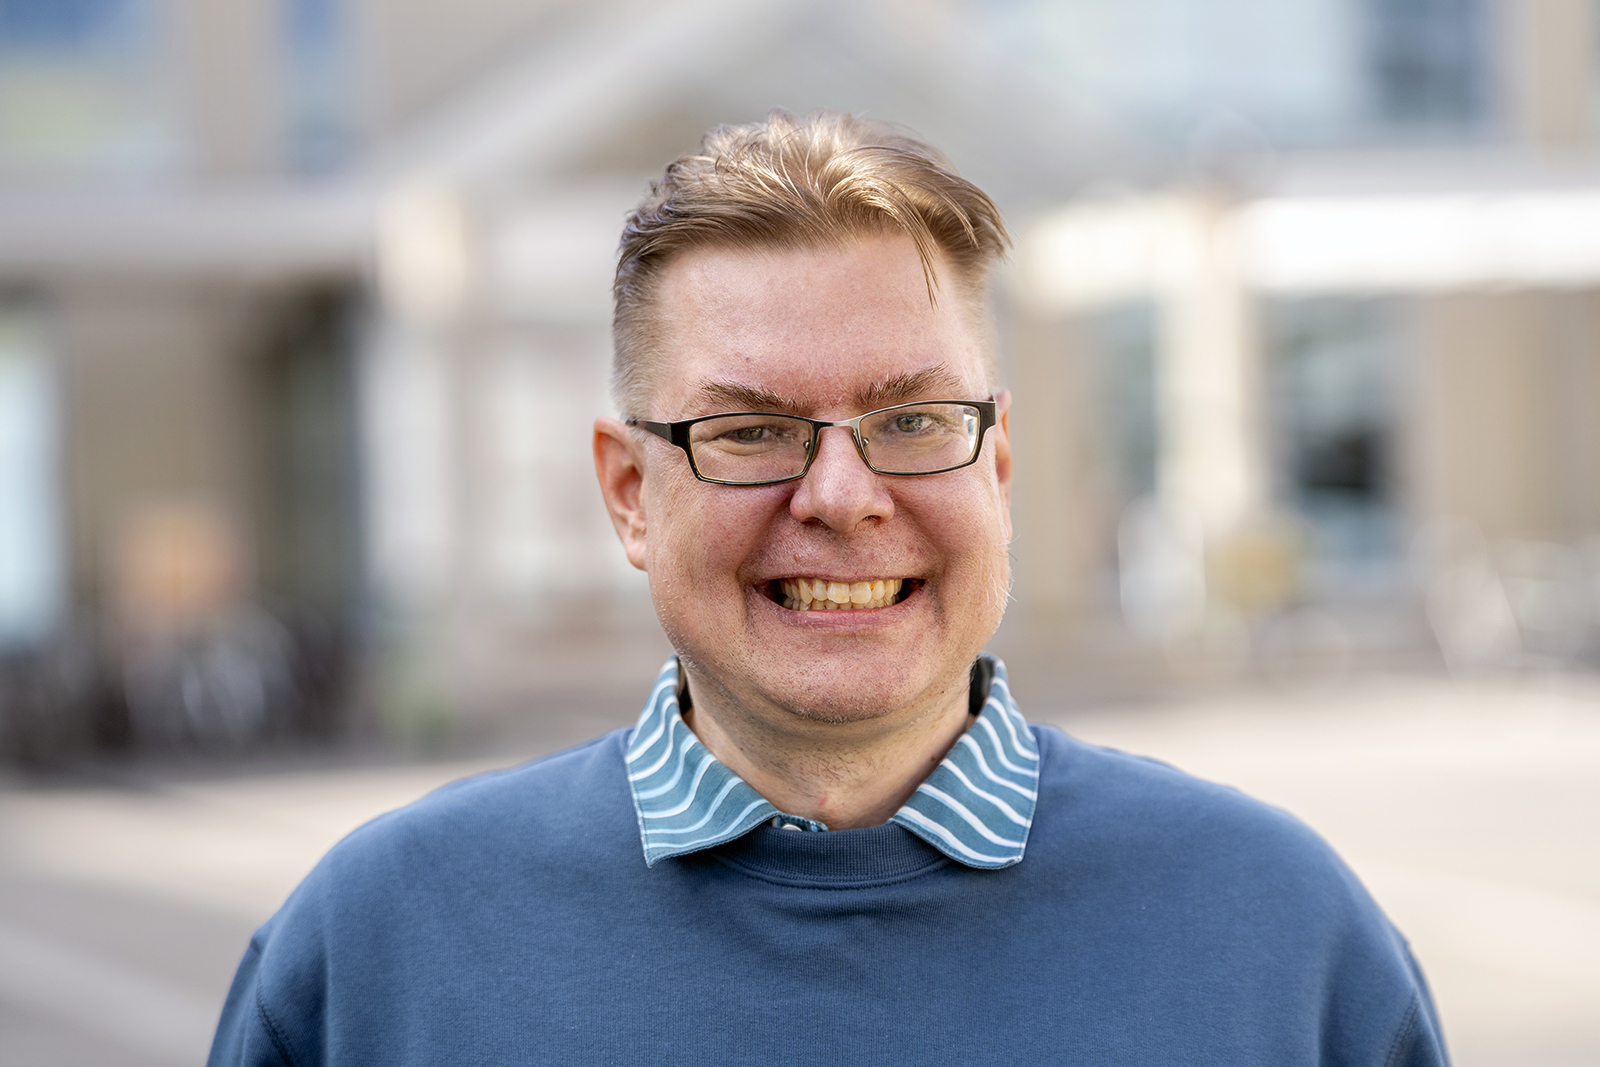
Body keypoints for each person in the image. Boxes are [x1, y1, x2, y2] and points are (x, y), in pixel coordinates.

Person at [208, 110, 1448, 1066]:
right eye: (750, 431)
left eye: (912, 417)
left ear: (998, 465)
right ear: (631, 493)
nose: (844, 496)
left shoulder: (1279, 932)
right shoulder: (379, 946)